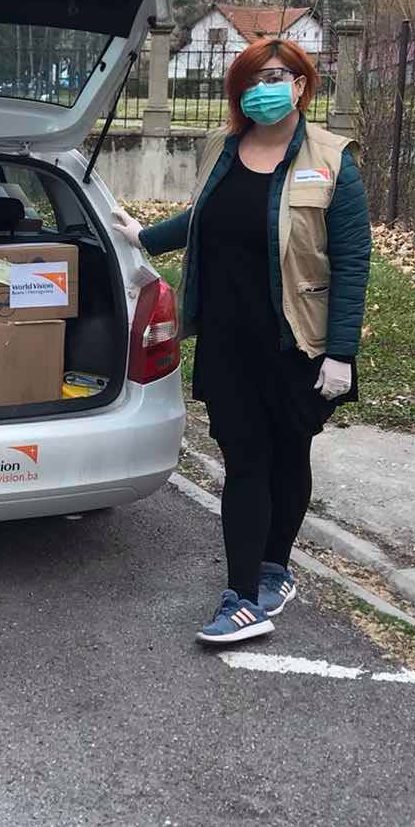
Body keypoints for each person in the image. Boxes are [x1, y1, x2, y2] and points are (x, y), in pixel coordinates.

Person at [113, 39, 370, 646]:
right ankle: (243, 595)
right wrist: (145, 234)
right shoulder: (221, 149)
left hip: (297, 343)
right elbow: (204, 218)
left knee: (290, 454)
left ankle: (276, 564)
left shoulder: (333, 161)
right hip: (229, 341)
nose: (265, 87)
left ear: (303, 84)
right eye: (253, 78)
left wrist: (341, 352)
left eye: (278, 76)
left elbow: (353, 260)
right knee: (246, 461)